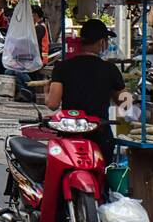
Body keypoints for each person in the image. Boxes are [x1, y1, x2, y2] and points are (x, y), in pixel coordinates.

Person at [46, 18, 130, 164]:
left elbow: (52, 103)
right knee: (102, 178)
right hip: (100, 135)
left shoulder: (62, 67)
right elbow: (126, 104)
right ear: (102, 42)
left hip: (70, 133)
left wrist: (46, 90)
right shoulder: (109, 69)